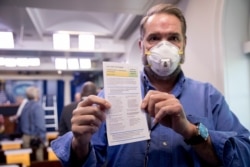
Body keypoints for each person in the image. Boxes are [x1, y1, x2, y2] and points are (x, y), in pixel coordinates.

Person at [51, 3, 250, 167]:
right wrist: (80, 144)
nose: (165, 47)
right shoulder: (110, 97)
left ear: (183, 45)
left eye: (173, 38)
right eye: (154, 38)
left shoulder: (209, 97)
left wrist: (191, 131)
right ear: (141, 46)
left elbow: (244, 154)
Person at [19, 86, 46, 161]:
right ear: (36, 95)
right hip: (36, 139)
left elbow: (21, 122)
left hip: (25, 138)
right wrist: (43, 139)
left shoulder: (25, 106)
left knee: (27, 161)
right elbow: (41, 125)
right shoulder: (37, 107)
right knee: (38, 162)